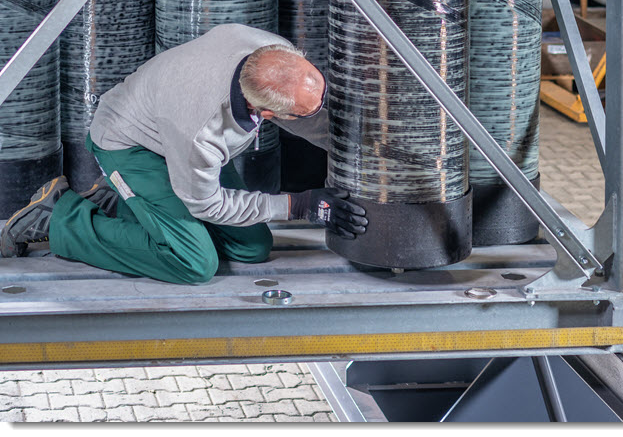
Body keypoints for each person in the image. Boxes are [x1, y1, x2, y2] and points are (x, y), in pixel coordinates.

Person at [1, 24, 367, 284]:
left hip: (173, 135)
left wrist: (368, 157)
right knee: (193, 262)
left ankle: (126, 202)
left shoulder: (272, 53)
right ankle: (60, 217)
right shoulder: (202, 132)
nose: (321, 108)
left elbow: (308, 117)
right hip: (131, 144)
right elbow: (208, 205)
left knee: (252, 247)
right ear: (266, 112)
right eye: (305, 111)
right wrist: (298, 205)